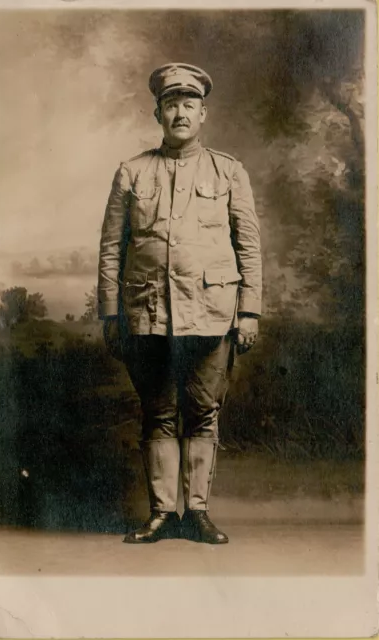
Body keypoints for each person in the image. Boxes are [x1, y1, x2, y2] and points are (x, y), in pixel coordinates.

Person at [98, 63, 262, 545]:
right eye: (171, 104)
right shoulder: (132, 171)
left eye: (189, 104)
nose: (180, 113)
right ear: (157, 113)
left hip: (212, 313)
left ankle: (199, 512)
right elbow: (111, 246)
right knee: (157, 411)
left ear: (203, 113)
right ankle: (162, 514)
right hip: (147, 312)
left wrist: (249, 310)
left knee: (203, 410)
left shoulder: (228, 170)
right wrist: (111, 313)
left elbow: (248, 244)